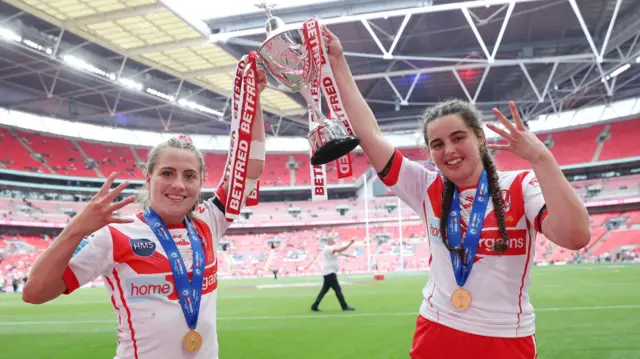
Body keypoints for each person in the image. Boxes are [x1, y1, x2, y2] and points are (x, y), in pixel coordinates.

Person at [321, 25, 591, 358]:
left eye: (458, 137)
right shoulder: (425, 187)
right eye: (437, 144)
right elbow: (369, 133)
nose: (448, 150)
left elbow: (576, 236)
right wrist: (338, 63)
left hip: (505, 338)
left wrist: (542, 158)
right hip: (437, 330)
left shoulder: (521, 185)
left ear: (479, 137)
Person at [22, 69, 269, 358]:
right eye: (167, 173)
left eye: (189, 176)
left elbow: (250, 168)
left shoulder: (209, 221)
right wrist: (77, 227)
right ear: (149, 179)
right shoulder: (115, 234)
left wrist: (254, 101)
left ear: (200, 183)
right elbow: (34, 293)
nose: (178, 184)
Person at [311, 235, 356, 312]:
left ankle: (314, 306)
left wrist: (349, 255)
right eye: (333, 239)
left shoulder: (329, 249)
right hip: (330, 273)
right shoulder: (328, 248)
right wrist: (350, 243)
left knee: (324, 291)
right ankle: (344, 306)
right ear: (329, 241)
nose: (334, 240)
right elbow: (341, 249)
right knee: (338, 290)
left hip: (328, 273)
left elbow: (339, 253)